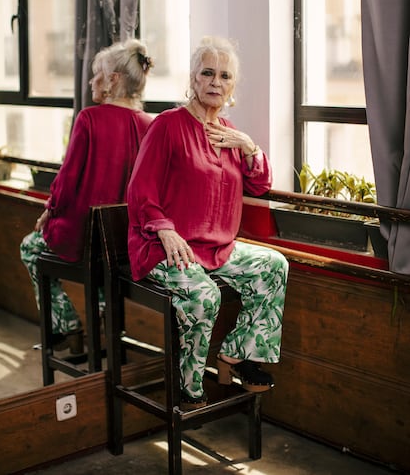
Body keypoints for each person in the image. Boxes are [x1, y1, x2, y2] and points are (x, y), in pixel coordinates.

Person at [127, 35, 289, 410]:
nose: (216, 82)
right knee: (204, 295)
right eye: (208, 73)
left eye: (225, 76)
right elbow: (140, 190)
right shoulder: (168, 125)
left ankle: (235, 354)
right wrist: (164, 229)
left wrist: (248, 145)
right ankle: (189, 389)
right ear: (193, 79)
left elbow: (260, 185)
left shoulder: (229, 133)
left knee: (273, 266)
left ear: (233, 86)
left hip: (218, 248)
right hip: (167, 247)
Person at [20, 38, 154, 354]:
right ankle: (105, 324)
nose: (92, 81)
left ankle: (69, 328)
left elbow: (66, 181)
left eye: (97, 74)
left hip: (87, 239)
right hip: (125, 244)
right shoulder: (150, 124)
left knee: (30, 248)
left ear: (114, 80)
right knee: (104, 269)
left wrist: (50, 210)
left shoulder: (90, 118)